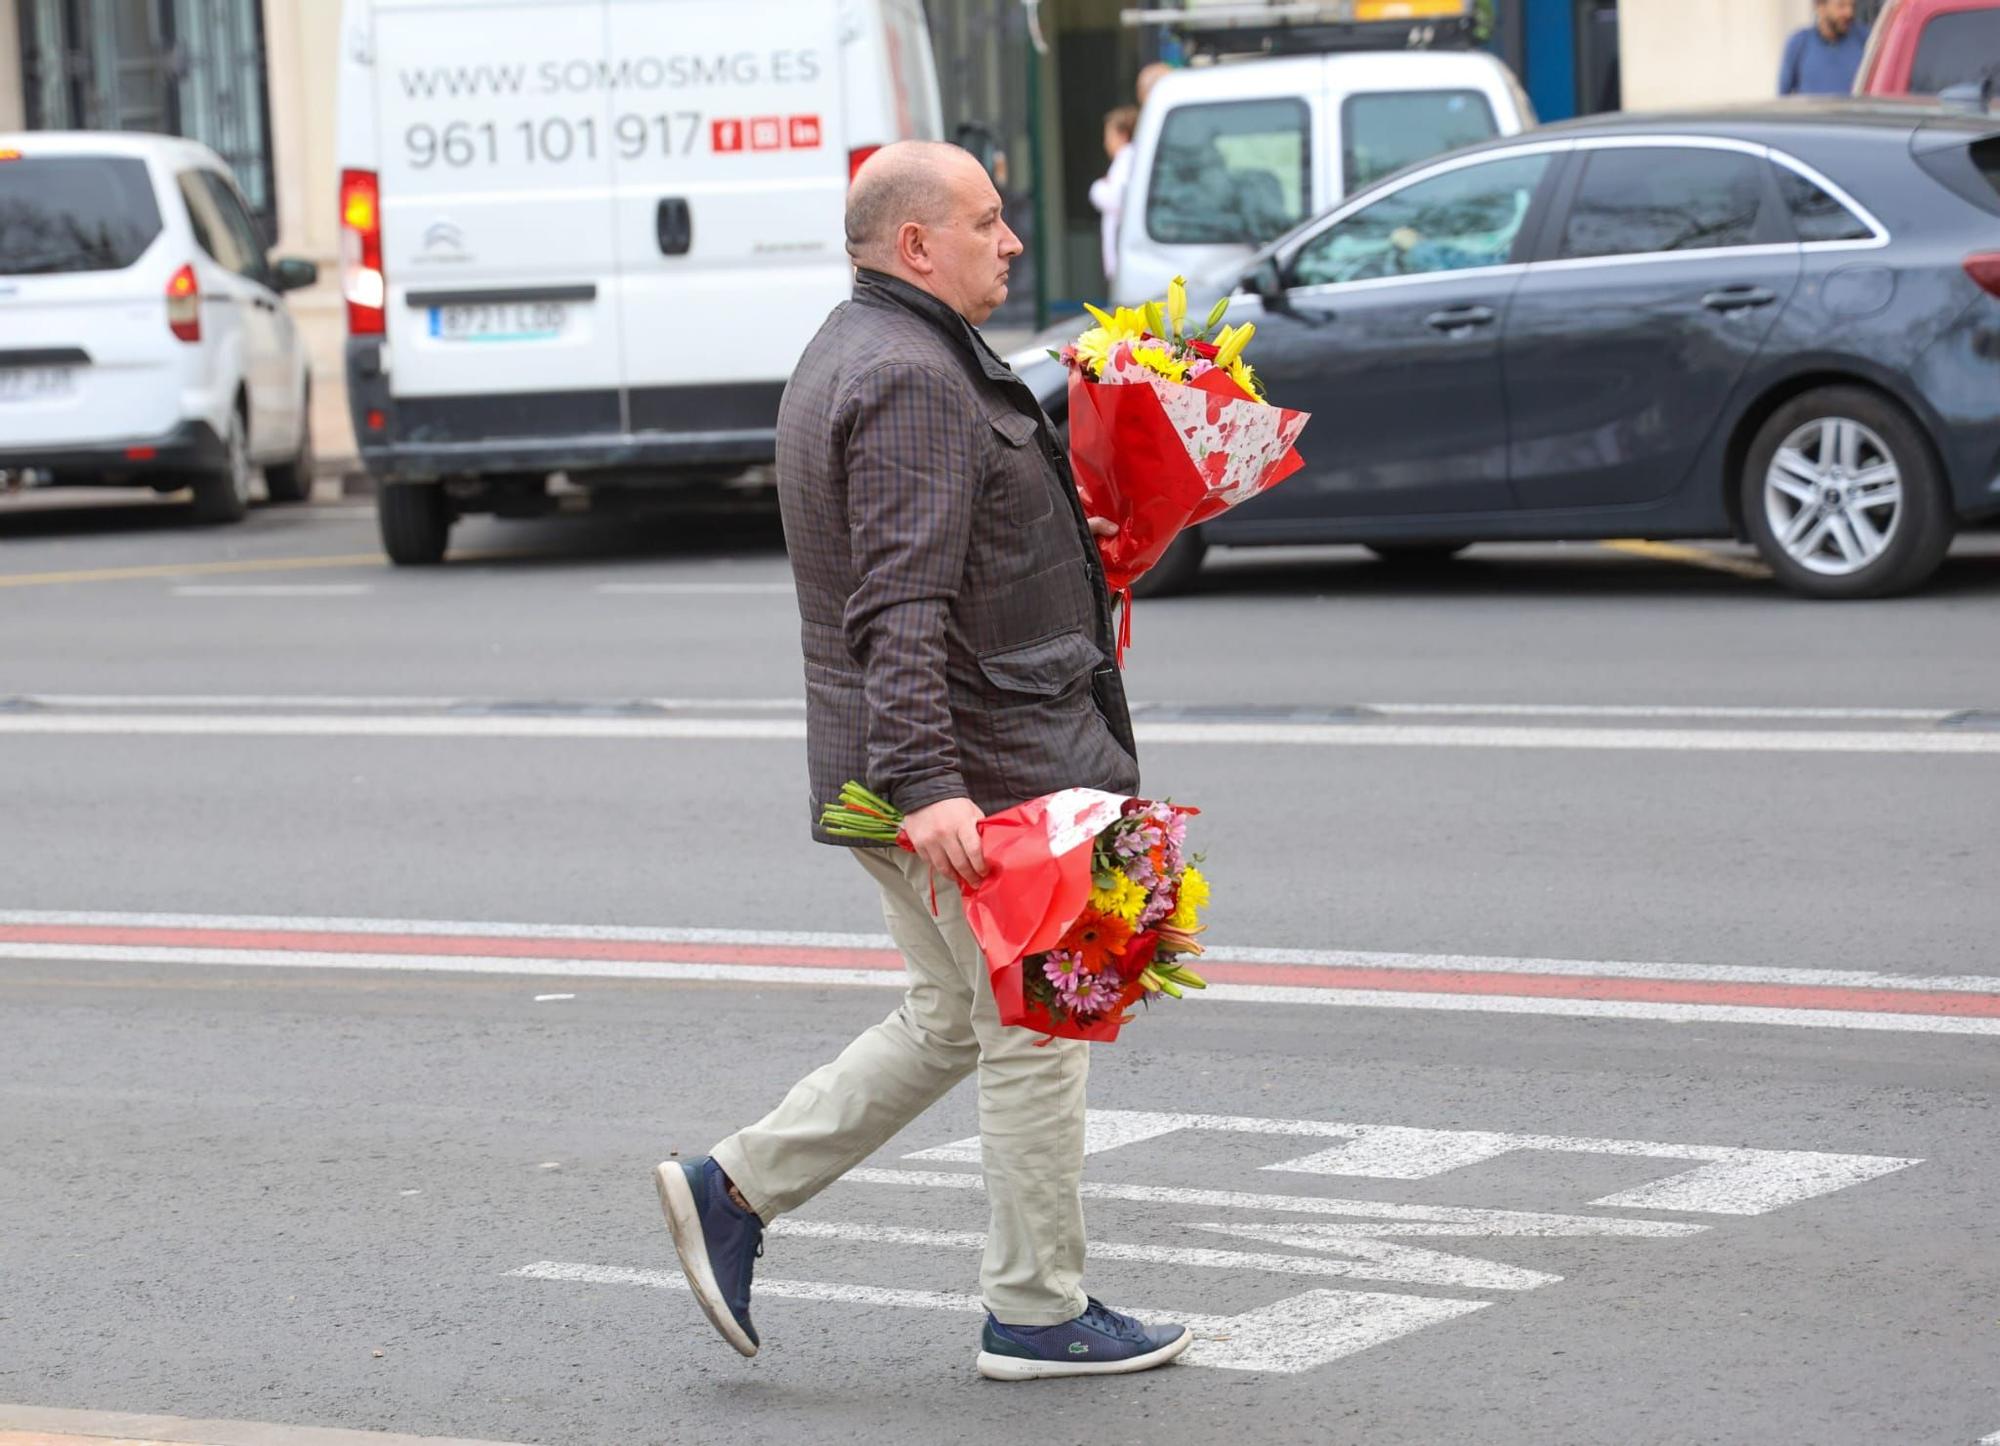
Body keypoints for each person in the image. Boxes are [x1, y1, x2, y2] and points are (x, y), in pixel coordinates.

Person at [654, 140, 1191, 1383]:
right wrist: (933, 786)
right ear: (914, 244)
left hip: (929, 756)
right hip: (972, 768)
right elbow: (893, 609)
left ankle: (731, 1191)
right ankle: (1036, 1312)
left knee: (954, 1016)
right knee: (1033, 1030)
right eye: (987, 222)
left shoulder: (878, 347)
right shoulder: (906, 376)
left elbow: (947, 555)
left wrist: (1080, 537)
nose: (1010, 242)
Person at [1089, 105, 1140, 287]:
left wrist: (1098, 187)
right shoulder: (1131, 158)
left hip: (1123, 260)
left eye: (1108, 136)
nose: (1105, 143)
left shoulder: (1126, 158)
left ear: (1123, 135)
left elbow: (1117, 199)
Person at [1780, 0, 1870, 96]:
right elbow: (1783, 97)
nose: (1849, 13)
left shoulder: (1865, 39)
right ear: (1820, 7)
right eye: (1841, 6)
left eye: (1852, 6)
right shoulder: (1799, 43)